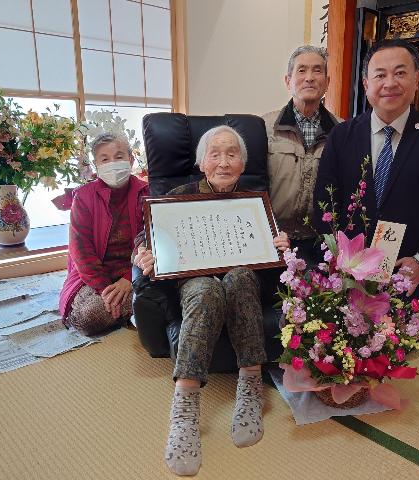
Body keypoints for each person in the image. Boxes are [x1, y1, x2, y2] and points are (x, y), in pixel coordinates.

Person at [133, 126, 290, 476]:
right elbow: (143, 239)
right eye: (215, 154)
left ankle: (250, 386)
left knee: (238, 277)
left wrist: (283, 248)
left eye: (232, 154)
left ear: (243, 163)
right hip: (195, 280)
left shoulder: (256, 202)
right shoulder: (178, 195)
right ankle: (185, 408)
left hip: (243, 281)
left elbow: (275, 256)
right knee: (206, 289)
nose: (223, 162)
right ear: (202, 162)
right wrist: (143, 254)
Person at [313, 39, 419, 300]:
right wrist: (334, 258)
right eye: (380, 75)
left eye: (400, 73)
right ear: (366, 85)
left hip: (405, 274)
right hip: (347, 273)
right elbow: (323, 203)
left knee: (400, 340)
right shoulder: (342, 135)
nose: (390, 83)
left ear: (416, 79)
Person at [59, 133, 148, 335]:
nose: (113, 164)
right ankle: (135, 310)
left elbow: (150, 240)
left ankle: (136, 307)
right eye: (105, 159)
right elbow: (80, 250)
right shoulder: (83, 197)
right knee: (88, 317)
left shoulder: (147, 193)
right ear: (96, 165)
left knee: (162, 292)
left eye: (119, 157)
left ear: (131, 160)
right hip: (94, 276)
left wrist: (129, 279)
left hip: (135, 273)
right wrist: (106, 290)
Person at [262, 45, 340, 264]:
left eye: (317, 71)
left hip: (320, 242)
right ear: (288, 81)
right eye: (302, 70)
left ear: (327, 82)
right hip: (274, 238)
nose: (310, 78)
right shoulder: (264, 127)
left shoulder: (342, 131)